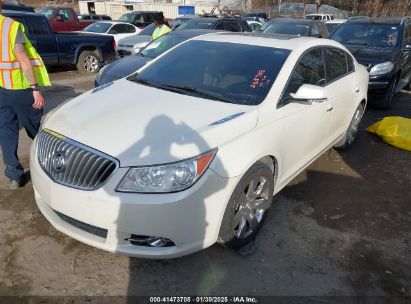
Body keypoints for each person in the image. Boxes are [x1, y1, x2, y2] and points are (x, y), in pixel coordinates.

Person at [0, 0, 51, 189]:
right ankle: (52, 165)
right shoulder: (10, 26)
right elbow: (22, 58)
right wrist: (35, 88)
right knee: (36, 128)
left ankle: (14, 177)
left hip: (1, 88)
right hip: (20, 88)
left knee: (6, 131)